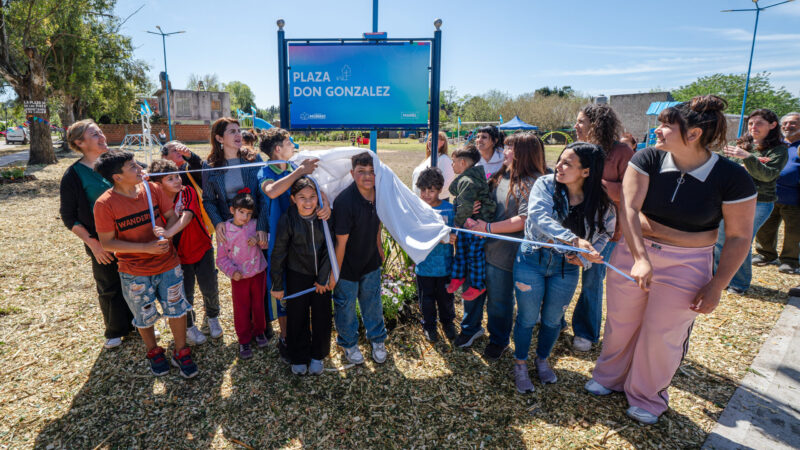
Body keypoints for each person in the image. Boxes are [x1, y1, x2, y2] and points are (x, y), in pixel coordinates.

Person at [587, 96, 756, 425]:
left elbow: (738, 237)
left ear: (693, 134)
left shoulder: (732, 177)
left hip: (688, 264)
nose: (658, 131)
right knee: (620, 322)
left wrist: (717, 285)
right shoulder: (647, 157)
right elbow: (630, 209)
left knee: (662, 333)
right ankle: (609, 378)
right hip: (636, 253)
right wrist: (640, 257)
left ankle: (648, 396)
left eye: (666, 125)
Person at [512, 143, 614, 393]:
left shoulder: (600, 199)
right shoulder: (545, 184)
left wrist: (587, 259)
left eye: (567, 163)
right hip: (531, 261)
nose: (558, 166)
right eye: (560, 160)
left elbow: (606, 232)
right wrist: (574, 240)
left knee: (553, 319)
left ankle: (542, 360)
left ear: (586, 172)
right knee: (526, 318)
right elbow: (538, 217)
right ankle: (520, 364)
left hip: (567, 268)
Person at [93, 150, 199, 378]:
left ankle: (181, 351)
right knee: (144, 314)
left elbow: (171, 216)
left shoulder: (152, 190)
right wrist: (145, 248)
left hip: (167, 263)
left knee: (177, 309)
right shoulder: (105, 205)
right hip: (134, 271)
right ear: (117, 177)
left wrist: (166, 233)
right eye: (132, 166)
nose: (140, 168)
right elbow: (107, 242)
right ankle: (154, 351)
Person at [464, 132, 547, 357]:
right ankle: (473, 329)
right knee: (478, 292)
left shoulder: (532, 182)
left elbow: (524, 219)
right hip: (485, 248)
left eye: (510, 147)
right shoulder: (502, 175)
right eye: (506, 146)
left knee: (500, 300)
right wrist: (475, 207)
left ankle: (498, 339)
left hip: (507, 254)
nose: (504, 151)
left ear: (524, 154)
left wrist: (488, 229)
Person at [60, 119, 134, 350]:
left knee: (137, 281)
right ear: (79, 142)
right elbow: (69, 216)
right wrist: (94, 244)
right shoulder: (73, 175)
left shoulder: (116, 160)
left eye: (101, 132)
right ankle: (115, 329)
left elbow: (145, 175)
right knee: (109, 284)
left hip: (133, 235)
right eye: (95, 134)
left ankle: (141, 322)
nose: (102, 136)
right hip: (102, 241)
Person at [258, 127, 329, 363]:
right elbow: (272, 191)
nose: (294, 146)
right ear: (278, 149)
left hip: (301, 238)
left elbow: (316, 189)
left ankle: (305, 340)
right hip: (279, 238)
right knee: (283, 292)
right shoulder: (265, 171)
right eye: (289, 143)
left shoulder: (294, 168)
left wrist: (326, 204)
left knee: (301, 293)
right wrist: (299, 171)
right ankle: (287, 339)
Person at [570, 104, 635, 352]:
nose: (576, 126)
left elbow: (632, 191)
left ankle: (586, 332)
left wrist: (595, 183)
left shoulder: (621, 153)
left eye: (581, 121)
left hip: (605, 231)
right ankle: (554, 320)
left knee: (592, 279)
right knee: (560, 273)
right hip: (573, 227)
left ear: (596, 124)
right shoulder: (574, 149)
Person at [715, 108, 788, 294]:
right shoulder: (738, 144)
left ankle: (739, 284)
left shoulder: (779, 150)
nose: (753, 127)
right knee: (720, 239)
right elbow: (723, 168)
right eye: (751, 123)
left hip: (759, 203)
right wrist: (752, 160)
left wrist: (748, 158)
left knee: (741, 242)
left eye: (759, 123)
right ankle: (717, 279)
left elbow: (767, 175)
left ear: (772, 125)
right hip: (731, 200)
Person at [148, 159, 220, 345]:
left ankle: (212, 317)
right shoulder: (153, 200)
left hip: (202, 247)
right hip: (178, 256)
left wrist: (168, 233)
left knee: (209, 287)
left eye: (177, 176)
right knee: (185, 293)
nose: (177, 181)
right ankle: (189, 325)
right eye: (170, 179)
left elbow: (187, 216)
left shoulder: (187, 191)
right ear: (158, 183)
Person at [270, 177, 335, 375]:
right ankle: (298, 356)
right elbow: (279, 252)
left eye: (312, 197)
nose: (308, 202)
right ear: (293, 199)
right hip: (297, 273)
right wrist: (278, 284)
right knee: (297, 316)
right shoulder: (288, 218)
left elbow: (328, 248)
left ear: (319, 197)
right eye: (302, 198)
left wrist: (323, 278)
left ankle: (318, 355)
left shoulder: (324, 216)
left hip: (320, 277)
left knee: (322, 315)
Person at [331, 152, 388, 365]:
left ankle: (377, 339)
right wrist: (336, 273)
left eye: (372, 172)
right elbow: (341, 242)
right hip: (347, 263)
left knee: (372, 301)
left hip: (370, 258)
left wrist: (379, 245)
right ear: (351, 173)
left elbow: (378, 222)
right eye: (361, 172)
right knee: (345, 306)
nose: (367, 177)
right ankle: (349, 343)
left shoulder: (380, 193)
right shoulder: (345, 202)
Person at [216, 189, 270, 360]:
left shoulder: (255, 225)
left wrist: (259, 240)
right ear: (232, 210)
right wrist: (232, 272)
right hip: (239, 278)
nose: (245, 216)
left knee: (258, 305)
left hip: (258, 273)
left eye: (248, 213)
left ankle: (260, 332)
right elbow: (221, 258)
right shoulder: (225, 231)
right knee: (241, 308)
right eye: (241, 212)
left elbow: (267, 241)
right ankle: (244, 339)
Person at [202, 117, 269, 247]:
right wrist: (218, 222)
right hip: (230, 228)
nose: (238, 134)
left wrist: (261, 226)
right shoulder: (210, 166)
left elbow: (264, 196)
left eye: (238, 130)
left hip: (255, 226)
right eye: (232, 131)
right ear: (219, 138)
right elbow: (209, 200)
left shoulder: (254, 159)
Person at [446, 145, 497, 301]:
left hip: (476, 226)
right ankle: (458, 276)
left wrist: (456, 223)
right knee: (460, 251)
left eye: (453, 161)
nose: (452, 165)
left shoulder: (467, 181)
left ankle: (477, 284)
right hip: (467, 224)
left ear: (462, 163)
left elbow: (466, 206)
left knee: (474, 255)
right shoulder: (466, 179)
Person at [413, 167, 457, 342]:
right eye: (423, 190)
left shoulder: (449, 210)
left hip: (445, 266)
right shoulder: (417, 210)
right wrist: (441, 238)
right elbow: (415, 234)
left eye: (431, 190)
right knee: (427, 300)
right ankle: (429, 326)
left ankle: (448, 323)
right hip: (424, 267)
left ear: (439, 190)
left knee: (446, 299)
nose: (426, 194)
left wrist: (453, 237)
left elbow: (456, 233)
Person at [755, 112, 800, 274]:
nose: (788, 126)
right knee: (765, 228)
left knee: (794, 232)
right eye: (785, 123)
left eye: (793, 123)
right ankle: (765, 254)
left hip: (794, 199)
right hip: (769, 195)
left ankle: (790, 260)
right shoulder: (775, 145)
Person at [411, 131, 455, 200]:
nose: (430, 142)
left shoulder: (444, 159)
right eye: (430, 140)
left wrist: (428, 195)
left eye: (434, 139)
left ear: (443, 142)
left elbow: (446, 183)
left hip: (436, 202)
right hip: (422, 201)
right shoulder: (428, 159)